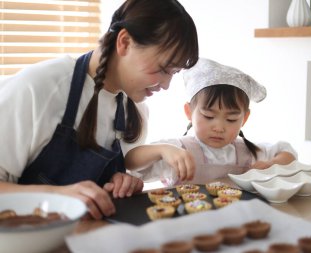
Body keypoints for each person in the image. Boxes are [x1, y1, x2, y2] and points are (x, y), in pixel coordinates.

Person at [0, 0, 198, 219]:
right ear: (124, 42)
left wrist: (121, 182)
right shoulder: (39, 88)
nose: (166, 85)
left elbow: (112, 177)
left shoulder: (135, 108)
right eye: (163, 69)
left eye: (173, 73)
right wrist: (58, 196)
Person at [125, 58, 297, 185]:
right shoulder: (179, 151)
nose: (219, 127)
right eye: (208, 116)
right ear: (189, 112)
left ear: (244, 119)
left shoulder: (247, 152)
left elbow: (288, 153)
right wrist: (162, 150)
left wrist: (270, 164)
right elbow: (131, 162)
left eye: (231, 119)